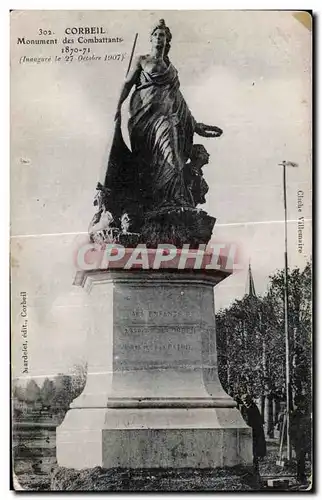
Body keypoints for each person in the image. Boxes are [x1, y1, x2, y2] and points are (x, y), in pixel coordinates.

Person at [112, 19, 222, 211]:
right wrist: (116, 107)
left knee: (171, 153)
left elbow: (178, 99)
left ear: (167, 39)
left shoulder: (171, 70)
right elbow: (127, 85)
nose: (158, 38)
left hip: (165, 117)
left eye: (162, 35)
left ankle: (172, 199)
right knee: (146, 160)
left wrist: (195, 124)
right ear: (151, 38)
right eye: (155, 34)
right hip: (143, 117)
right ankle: (151, 201)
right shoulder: (141, 60)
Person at [240, 394, 267, 474]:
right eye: (244, 401)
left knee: (254, 454)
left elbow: (257, 423)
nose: (245, 403)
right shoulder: (243, 408)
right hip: (246, 433)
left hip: (254, 434)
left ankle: (255, 472)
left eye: (246, 401)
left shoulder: (254, 409)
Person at [290, 395, 312, 484]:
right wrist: (294, 442)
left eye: (305, 401)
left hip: (309, 440)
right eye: (302, 401)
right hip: (299, 441)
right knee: (300, 460)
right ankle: (301, 477)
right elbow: (291, 430)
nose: (304, 403)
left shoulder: (309, 412)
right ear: (298, 403)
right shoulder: (294, 414)